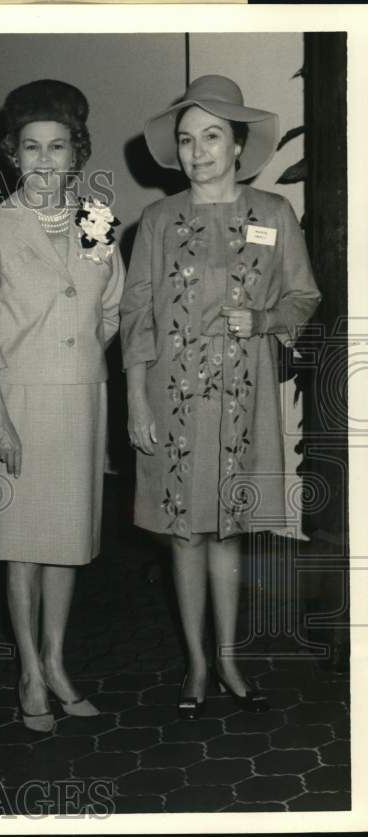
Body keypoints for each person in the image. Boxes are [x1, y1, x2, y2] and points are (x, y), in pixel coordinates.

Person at [121, 75, 321, 719]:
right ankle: (197, 665)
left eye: (212, 136)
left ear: (237, 145)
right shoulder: (154, 221)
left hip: (243, 395)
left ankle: (230, 658)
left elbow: (303, 296)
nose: (198, 150)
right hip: (170, 393)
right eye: (187, 139)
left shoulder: (274, 215)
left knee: (230, 531)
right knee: (183, 534)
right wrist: (135, 399)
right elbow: (135, 315)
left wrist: (263, 322)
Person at [0, 80, 125, 733]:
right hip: (19, 404)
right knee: (25, 546)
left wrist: (79, 354)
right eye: (32, 147)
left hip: (82, 397)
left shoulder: (98, 221)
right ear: (13, 155)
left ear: (77, 151)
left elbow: (109, 310)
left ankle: (58, 661)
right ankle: (29, 669)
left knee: (67, 543)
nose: (45, 160)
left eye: (58, 146)